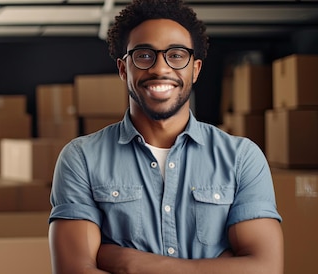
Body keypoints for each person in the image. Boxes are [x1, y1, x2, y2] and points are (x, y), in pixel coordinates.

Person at [48, 0, 284, 273]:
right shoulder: (81, 158)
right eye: (144, 55)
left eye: (176, 55)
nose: (160, 69)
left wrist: (128, 262)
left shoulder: (242, 158)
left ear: (195, 69)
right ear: (124, 69)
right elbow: (74, 270)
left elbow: (265, 269)